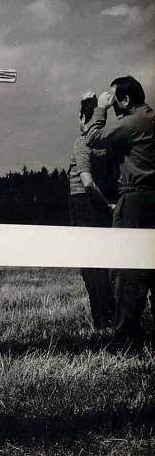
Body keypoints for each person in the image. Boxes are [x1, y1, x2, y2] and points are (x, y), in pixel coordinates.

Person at [84, 76, 155, 341]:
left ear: (125, 99)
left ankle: (127, 336)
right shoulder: (150, 119)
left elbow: (93, 137)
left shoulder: (134, 123)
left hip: (134, 200)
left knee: (127, 269)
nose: (115, 108)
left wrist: (100, 109)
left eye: (116, 102)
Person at [68, 92, 116, 329]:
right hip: (103, 205)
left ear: (81, 118)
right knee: (105, 262)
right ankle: (110, 315)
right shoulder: (106, 144)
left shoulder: (81, 142)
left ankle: (102, 318)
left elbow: (87, 183)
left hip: (85, 205)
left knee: (90, 264)